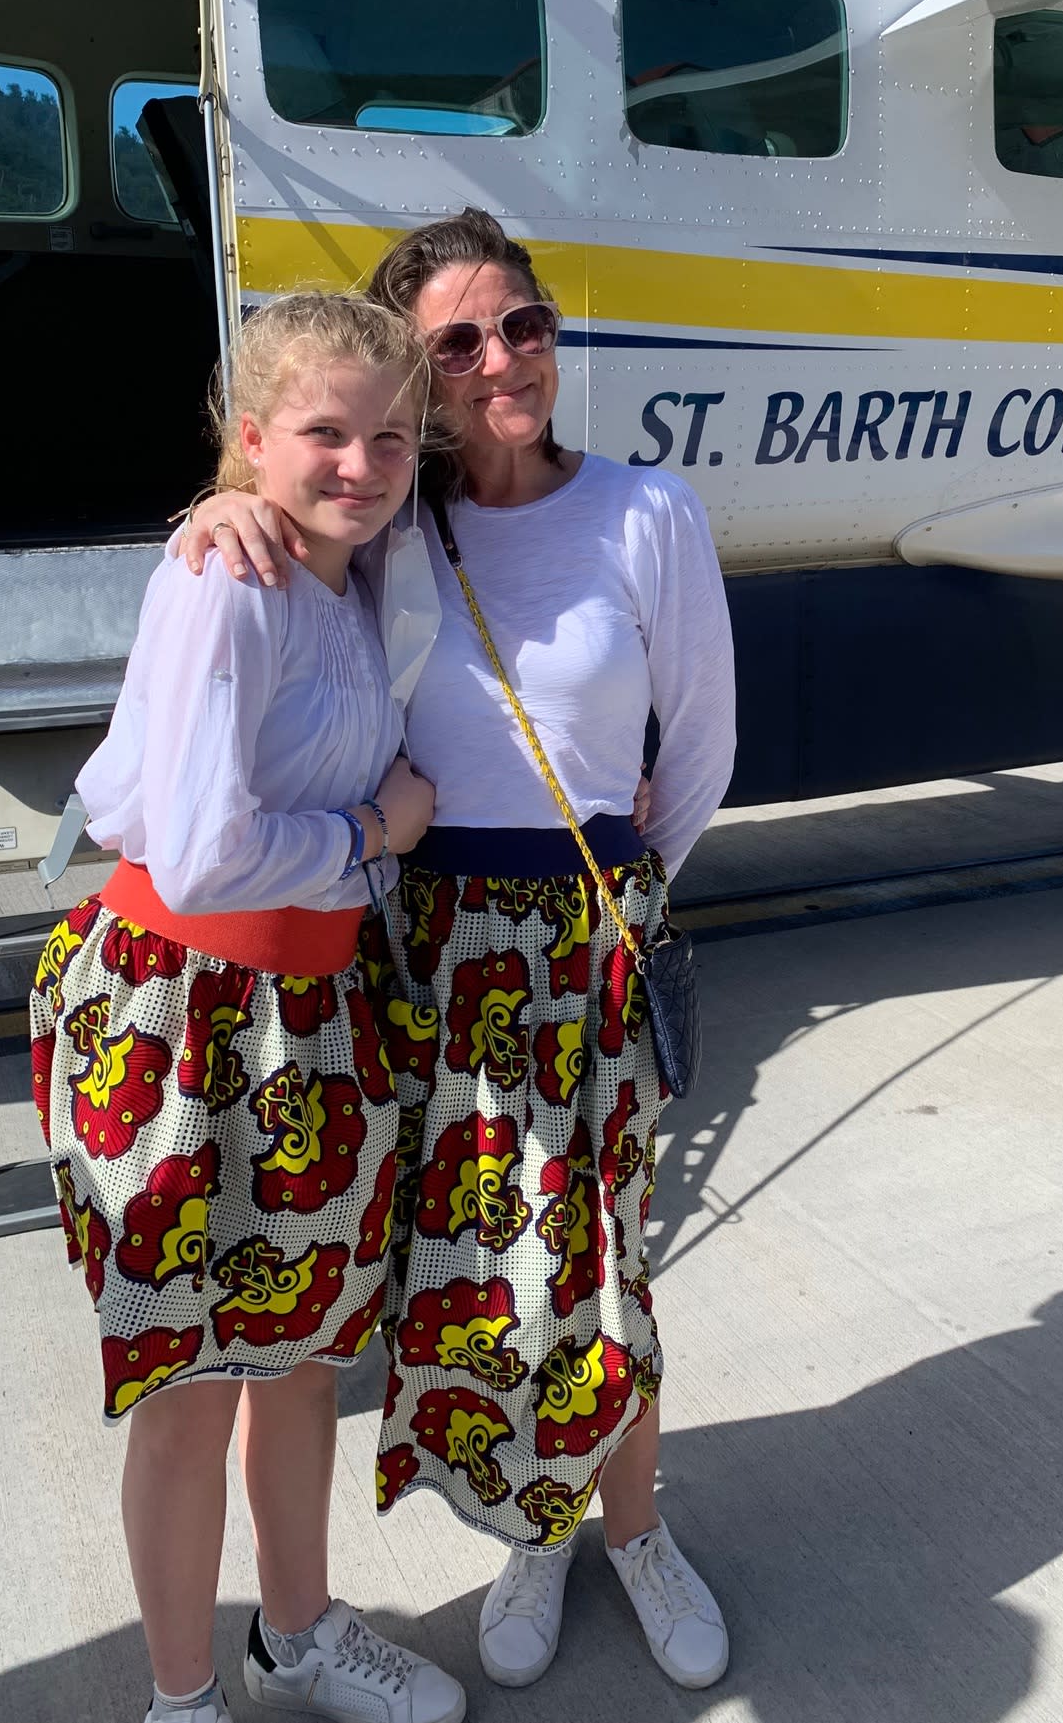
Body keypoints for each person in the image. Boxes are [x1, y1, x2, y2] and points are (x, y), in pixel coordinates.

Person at [181, 208, 737, 1693]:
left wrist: (615, 900)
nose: (503, 360)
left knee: (607, 1254)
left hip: (585, 922)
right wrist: (218, 507)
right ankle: (534, 1523)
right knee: (484, 1263)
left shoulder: (646, 515)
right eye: (459, 342)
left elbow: (700, 751)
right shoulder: (388, 526)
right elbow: (279, 548)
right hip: (424, 940)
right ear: (417, 378)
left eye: (524, 325)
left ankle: (633, 1530)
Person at [30, 294, 468, 1723]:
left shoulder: (357, 568)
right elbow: (206, 847)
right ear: (253, 436)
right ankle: (182, 1698)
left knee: (296, 1362)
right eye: (324, 432)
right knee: (187, 1387)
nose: (359, 461)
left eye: (388, 436)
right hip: (182, 1013)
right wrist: (378, 833)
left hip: (312, 1010)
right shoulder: (226, 578)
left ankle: (297, 1630)